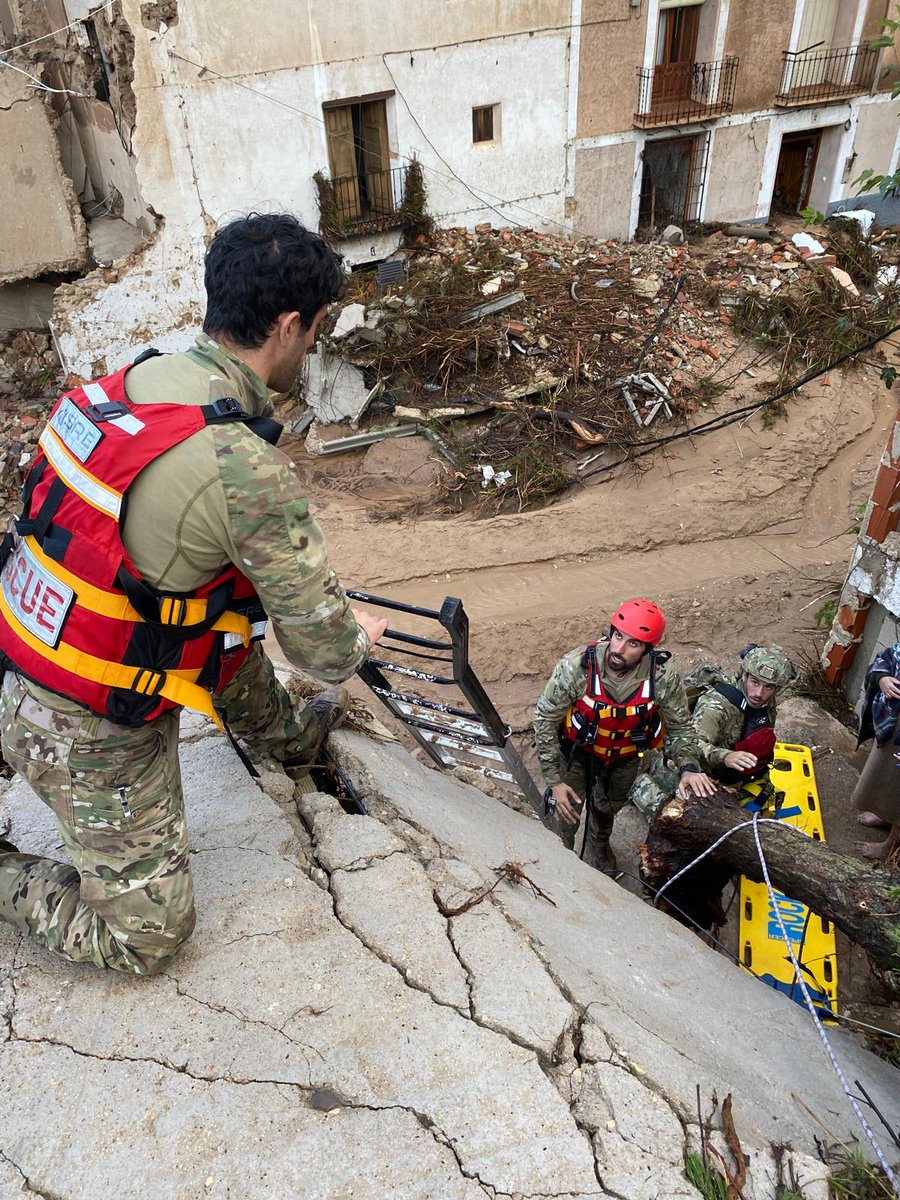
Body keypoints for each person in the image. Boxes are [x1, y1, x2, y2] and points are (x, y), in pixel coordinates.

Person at [0, 213, 388, 975]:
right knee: (148, 938)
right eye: (315, 330)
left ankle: (288, 740)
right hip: (80, 720)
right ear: (289, 326)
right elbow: (322, 650)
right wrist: (356, 636)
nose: (312, 345)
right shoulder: (243, 466)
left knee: (211, 616)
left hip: (18, 647)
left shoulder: (118, 390)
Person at [533, 598, 715, 876]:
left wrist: (689, 767)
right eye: (618, 636)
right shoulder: (576, 667)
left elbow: (680, 727)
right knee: (565, 811)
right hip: (576, 752)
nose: (618, 649)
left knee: (607, 808)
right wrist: (554, 780)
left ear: (647, 649)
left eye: (633, 643)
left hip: (625, 758)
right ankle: (559, 856)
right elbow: (545, 719)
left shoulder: (661, 677)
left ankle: (599, 845)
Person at [630, 644, 797, 816]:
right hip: (693, 768)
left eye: (768, 687)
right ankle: (637, 785)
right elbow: (692, 745)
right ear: (745, 675)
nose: (759, 693)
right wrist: (726, 757)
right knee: (687, 815)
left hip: (734, 774)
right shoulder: (716, 705)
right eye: (755, 683)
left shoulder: (765, 702)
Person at [851, 643, 900, 862]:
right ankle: (884, 815)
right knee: (883, 777)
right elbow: (885, 659)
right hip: (893, 731)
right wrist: (882, 679)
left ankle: (890, 846)